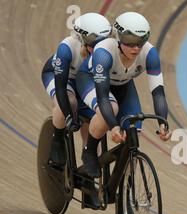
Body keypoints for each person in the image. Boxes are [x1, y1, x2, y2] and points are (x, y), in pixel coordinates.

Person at [76, 12, 171, 178]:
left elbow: (158, 93)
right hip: (91, 80)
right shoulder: (104, 53)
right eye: (130, 42)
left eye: (140, 42)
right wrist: (113, 127)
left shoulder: (150, 53)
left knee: (134, 132)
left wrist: (163, 122)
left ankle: (120, 185)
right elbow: (103, 97)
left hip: (123, 85)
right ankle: (89, 151)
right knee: (110, 109)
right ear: (118, 38)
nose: (136, 48)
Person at [41, 13, 112, 167]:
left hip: (84, 82)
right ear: (82, 40)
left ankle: (89, 182)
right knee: (68, 101)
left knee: (94, 128)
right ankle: (58, 139)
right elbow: (60, 88)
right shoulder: (67, 48)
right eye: (97, 42)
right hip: (59, 77)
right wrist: (68, 117)